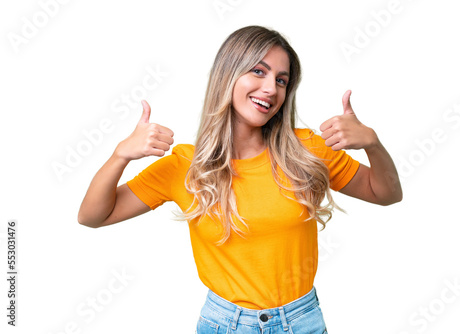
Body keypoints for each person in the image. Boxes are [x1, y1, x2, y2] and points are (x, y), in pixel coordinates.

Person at [78, 25, 402, 334]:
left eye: (282, 79)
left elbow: (386, 193)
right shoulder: (186, 166)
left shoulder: (308, 150)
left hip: (301, 320)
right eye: (258, 72)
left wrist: (372, 143)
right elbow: (93, 216)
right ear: (228, 76)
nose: (271, 88)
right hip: (225, 323)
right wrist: (121, 155)